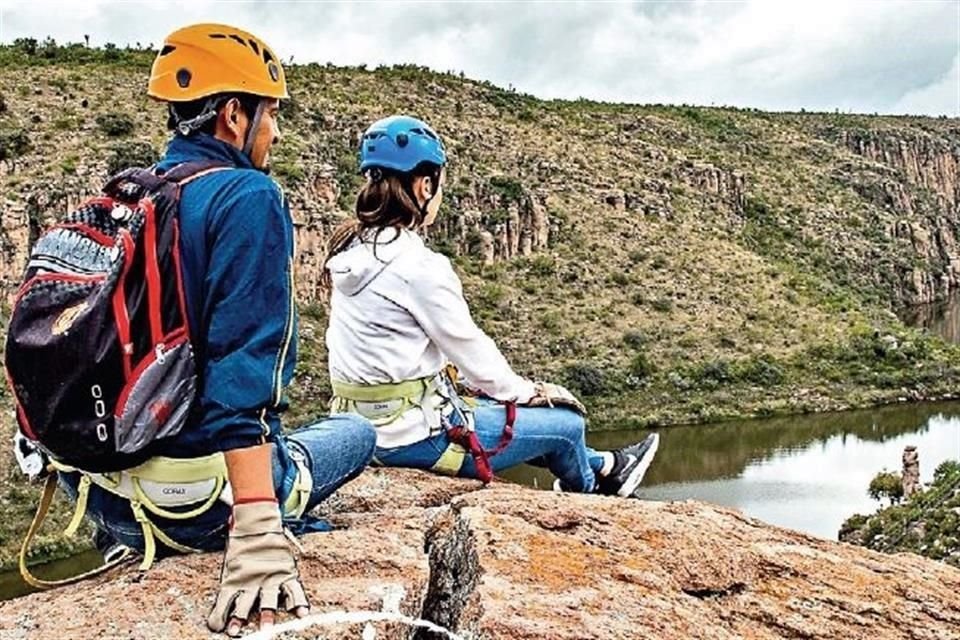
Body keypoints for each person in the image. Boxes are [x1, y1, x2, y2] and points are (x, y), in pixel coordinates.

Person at [19, 24, 376, 637]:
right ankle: (248, 516)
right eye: (271, 114)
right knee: (357, 431)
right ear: (234, 115)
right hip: (199, 509)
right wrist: (257, 531)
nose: (276, 132)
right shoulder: (248, 196)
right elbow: (245, 371)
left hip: (105, 498)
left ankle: (128, 537)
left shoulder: (133, 194)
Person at [320, 114, 658, 497]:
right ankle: (595, 493)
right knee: (566, 426)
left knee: (526, 423)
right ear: (425, 185)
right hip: (412, 438)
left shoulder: (352, 251)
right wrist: (530, 393)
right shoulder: (417, 266)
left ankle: (608, 464)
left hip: (363, 428)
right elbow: (471, 350)